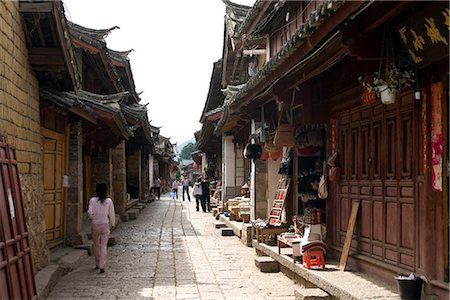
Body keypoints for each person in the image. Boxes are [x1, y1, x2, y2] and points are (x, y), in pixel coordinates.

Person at [87, 183, 116, 274]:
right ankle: (102, 264)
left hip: (95, 225)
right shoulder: (109, 201)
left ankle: (97, 262)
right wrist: (113, 223)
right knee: (103, 245)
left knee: (96, 244)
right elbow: (111, 213)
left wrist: (92, 217)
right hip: (105, 225)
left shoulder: (92, 200)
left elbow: (89, 212)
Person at [306, 175, 326, 239]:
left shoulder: (322, 189)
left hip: (325, 212)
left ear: (316, 182)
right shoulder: (320, 189)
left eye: (312, 185)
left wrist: (312, 205)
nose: (312, 187)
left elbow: (319, 201)